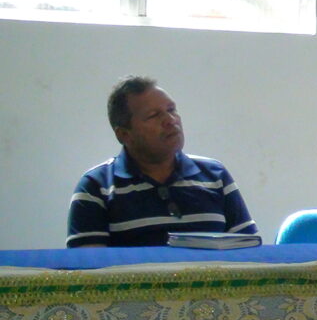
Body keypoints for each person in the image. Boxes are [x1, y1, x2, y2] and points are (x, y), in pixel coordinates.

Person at [67, 76, 257, 247]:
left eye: (171, 110)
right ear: (124, 134)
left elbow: (249, 253)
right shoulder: (96, 187)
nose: (170, 120)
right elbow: (88, 270)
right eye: (153, 115)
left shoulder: (215, 175)